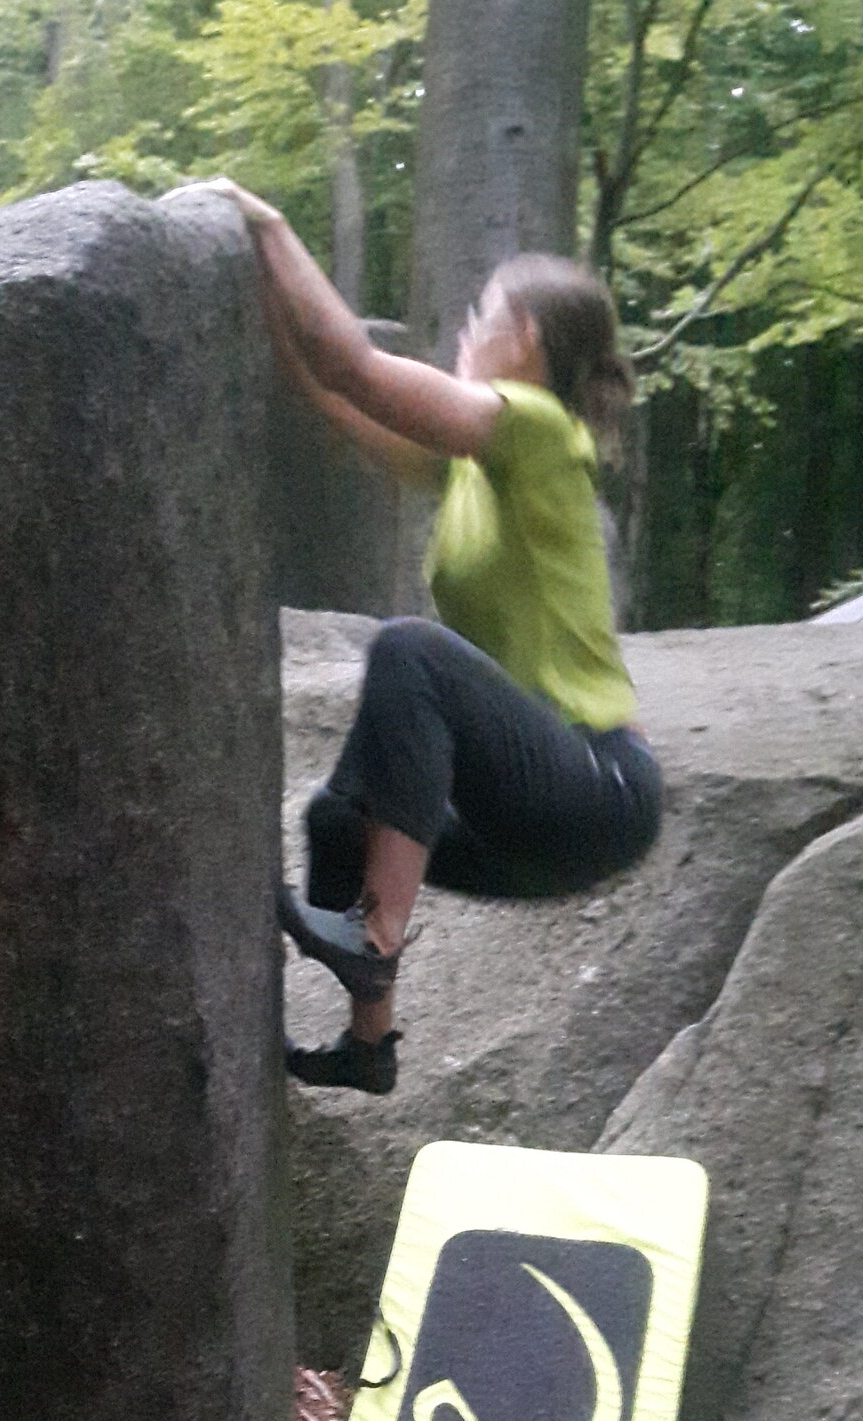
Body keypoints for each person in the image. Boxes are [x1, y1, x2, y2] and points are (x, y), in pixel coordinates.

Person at [206, 179, 661, 1095]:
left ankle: (372, 949)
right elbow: (335, 395)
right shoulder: (472, 465)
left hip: (596, 788)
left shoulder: (536, 427)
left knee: (409, 650)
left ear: (524, 338)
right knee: (338, 818)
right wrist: (251, 291)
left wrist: (265, 223)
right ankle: (369, 1046)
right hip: (529, 815)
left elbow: (356, 368)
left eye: (480, 311)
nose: (464, 324)